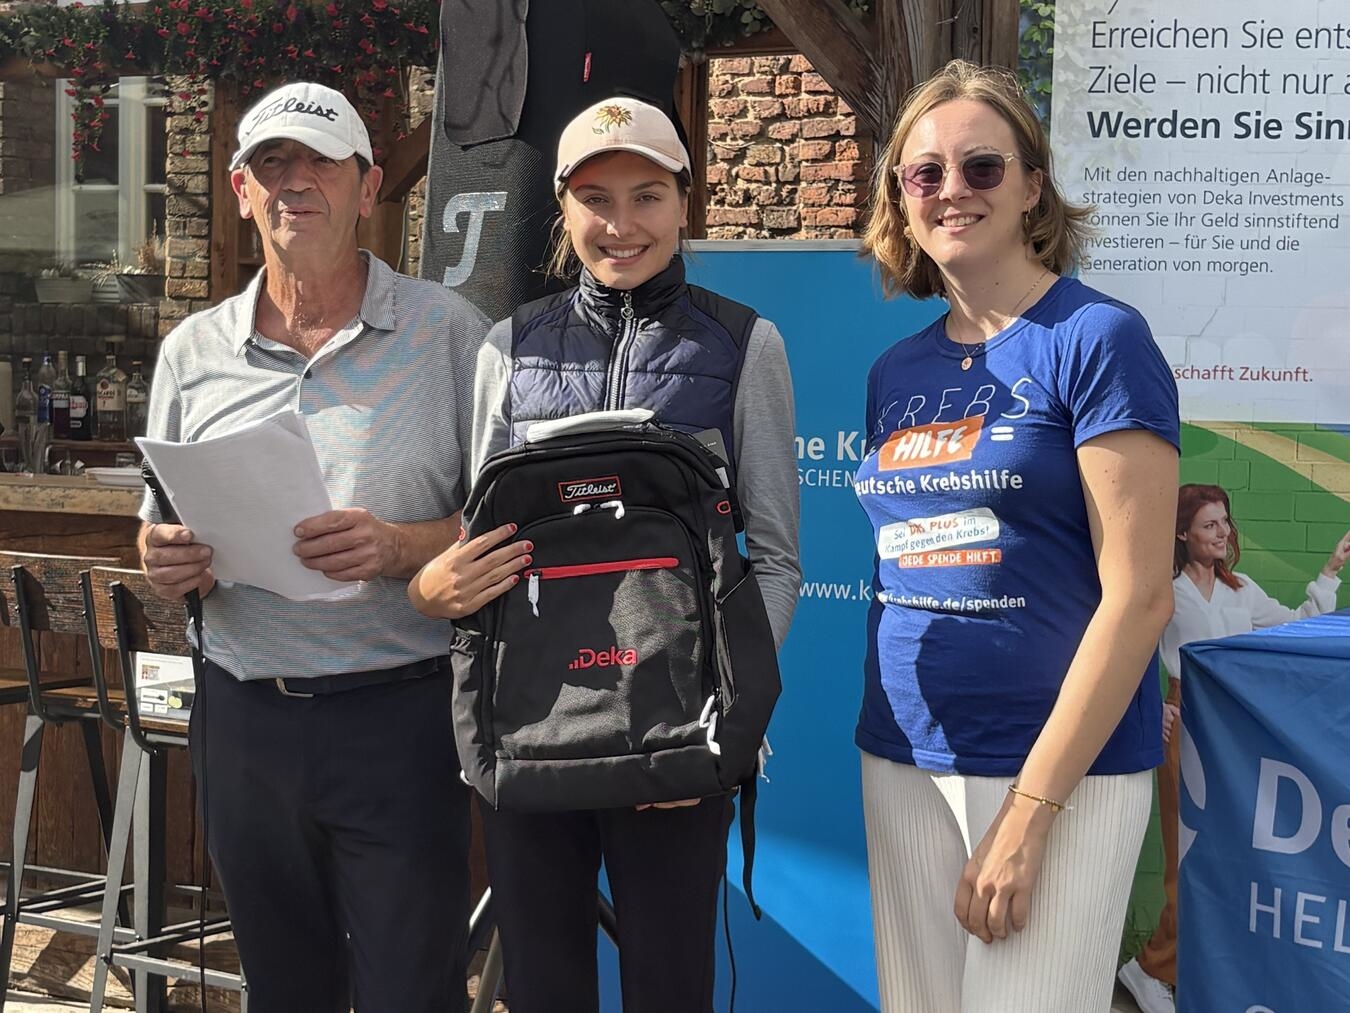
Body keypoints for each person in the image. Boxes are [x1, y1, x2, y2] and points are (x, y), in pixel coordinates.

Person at [409, 95, 801, 1013]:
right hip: (538, 735)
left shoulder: (746, 343)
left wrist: (721, 716)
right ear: (563, 207)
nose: (621, 225)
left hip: (677, 737)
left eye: (647, 196)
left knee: (671, 988)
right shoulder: (508, 346)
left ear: (683, 202)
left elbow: (774, 559)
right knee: (543, 989)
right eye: (595, 198)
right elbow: (486, 550)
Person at [137, 81, 488, 1013]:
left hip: (399, 716)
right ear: (242, 190)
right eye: (271, 164)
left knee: (410, 991)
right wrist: (164, 556)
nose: (295, 183)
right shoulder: (191, 351)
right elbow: (157, 521)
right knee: (284, 988)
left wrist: (396, 544)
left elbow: (506, 529)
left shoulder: (449, 333)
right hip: (243, 717)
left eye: (319, 162)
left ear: (369, 187)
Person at [854, 60, 1180, 1011]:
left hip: (1058, 772)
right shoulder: (894, 371)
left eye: (982, 167)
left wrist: (1032, 810)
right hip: (904, 755)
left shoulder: (1099, 339)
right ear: (901, 200)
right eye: (925, 173)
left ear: (1034, 185)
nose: (952, 190)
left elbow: (1141, 594)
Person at [1118, 484, 1350, 1012]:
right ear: (1182, 533)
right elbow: (1128, 649)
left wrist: (1331, 572)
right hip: (1186, 725)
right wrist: (1153, 709)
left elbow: (1294, 624)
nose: (1224, 533)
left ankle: (1169, 966)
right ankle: (1151, 967)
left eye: (1226, 522)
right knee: (1188, 852)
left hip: (1233, 732)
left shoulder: (1240, 589)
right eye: (1209, 525)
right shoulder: (1163, 591)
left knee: (1228, 857)